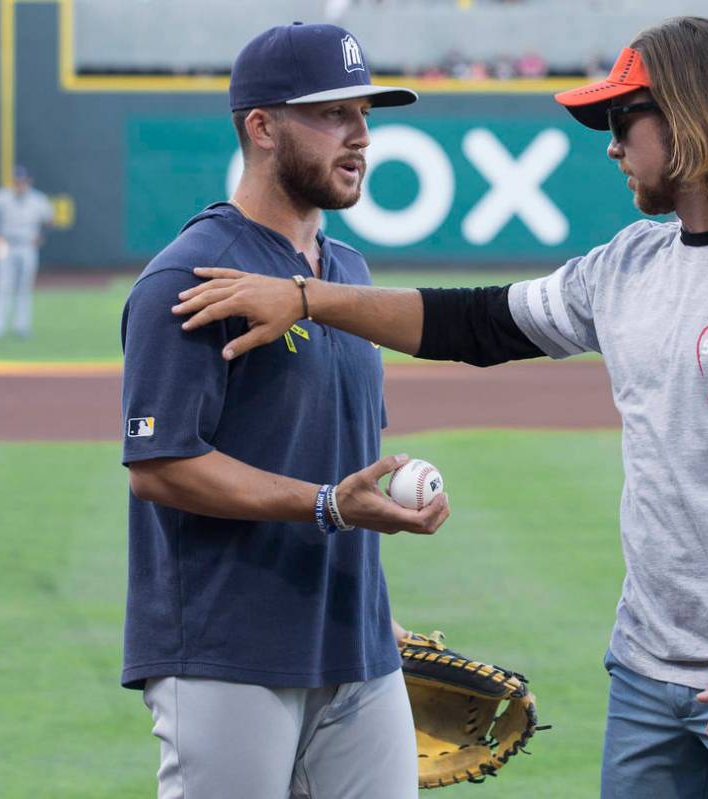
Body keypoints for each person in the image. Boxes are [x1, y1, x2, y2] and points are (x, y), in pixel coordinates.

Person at [172, 17, 708, 798]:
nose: (611, 144)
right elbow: (477, 322)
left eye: (623, 120)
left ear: (694, 116)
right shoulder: (630, 262)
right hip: (647, 671)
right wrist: (306, 296)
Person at [120, 23, 449, 799]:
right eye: (333, 114)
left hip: (353, 644)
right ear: (261, 128)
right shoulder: (189, 276)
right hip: (226, 648)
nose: (361, 135)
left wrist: (373, 606)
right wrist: (329, 505)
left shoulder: (347, 273)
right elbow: (161, 465)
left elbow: (340, 455)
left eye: (364, 114)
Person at [0, 165, 54, 339]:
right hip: (5, 245)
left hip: (27, 245)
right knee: (2, 286)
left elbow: (49, 221)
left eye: (23, 181)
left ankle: (21, 327)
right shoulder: (1, 197)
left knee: (24, 287)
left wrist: (41, 236)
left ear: (28, 181)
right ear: (12, 181)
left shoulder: (38, 199)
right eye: (17, 181)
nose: (20, 184)